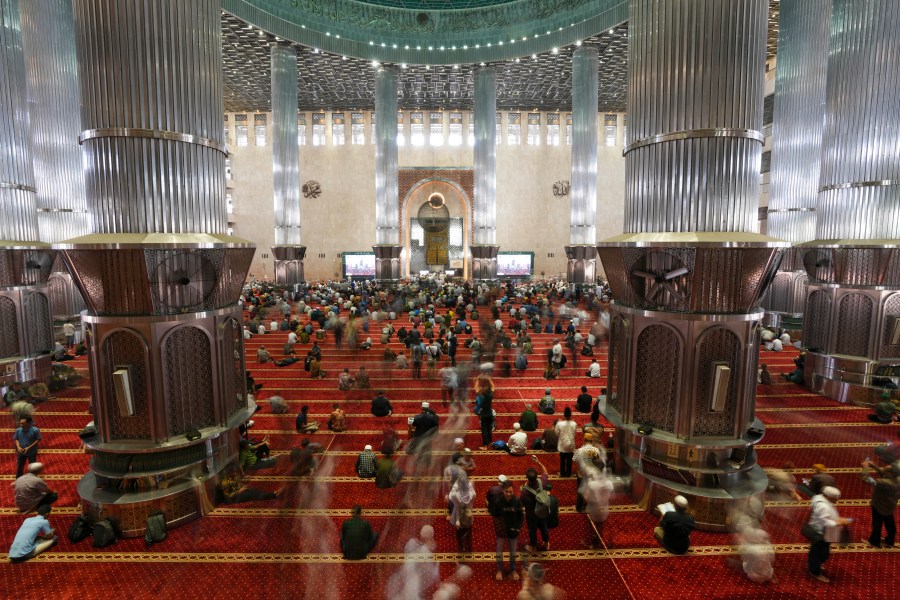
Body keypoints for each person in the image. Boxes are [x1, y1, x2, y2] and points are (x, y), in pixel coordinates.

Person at [806, 486, 851, 582]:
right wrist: (839, 522)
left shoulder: (818, 497)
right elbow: (825, 522)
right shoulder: (823, 506)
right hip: (821, 532)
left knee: (820, 551)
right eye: (836, 498)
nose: (837, 500)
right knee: (819, 552)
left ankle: (814, 564)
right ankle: (814, 572)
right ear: (829, 497)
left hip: (825, 530)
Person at [491, 480, 524, 581]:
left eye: (511, 491)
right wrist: (499, 528)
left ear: (513, 491)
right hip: (502, 531)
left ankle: (512, 570)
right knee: (499, 551)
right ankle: (499, 569)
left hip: (513, 530)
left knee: (513, 552)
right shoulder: (498, 502)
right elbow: (495, 516)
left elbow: (521, 516)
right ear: (503, 490)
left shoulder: (517, 501)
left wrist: (517, 528)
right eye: (506, 491)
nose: (509, 494)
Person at [861, 459, 899, 548]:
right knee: (890, 523)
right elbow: (884, 473)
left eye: (891, 466)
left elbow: (866, 479)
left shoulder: (883, 482)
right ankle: (890, 540)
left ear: (892, 472)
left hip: (879, 506)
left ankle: (874, 541)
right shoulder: (897, 478)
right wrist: (874, 466)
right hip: (890, 505)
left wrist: (865, 468)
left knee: (877, 523)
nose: (888, 466)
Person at [521, 456, 550, 553]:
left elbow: (521, 503)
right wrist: (538, 462)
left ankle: (533, 547)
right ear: (537, 476)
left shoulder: (525, 491)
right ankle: (546, 543)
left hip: (532, 514)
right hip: (542, 510)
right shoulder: (542, 482)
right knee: (544, 526)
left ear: (527, 478)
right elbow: (545, 472)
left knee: (532, 530)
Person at [448, 466, 476, 556]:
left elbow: (451, 496)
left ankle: (461, 549)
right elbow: (473, 493)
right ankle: (468, 549)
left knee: (459, 534)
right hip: (468, 514)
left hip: (458, 516)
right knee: (468, 532)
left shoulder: (456, 496)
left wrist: (455, 485)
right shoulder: (471, 493)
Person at [554, 408, 576, 477]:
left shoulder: (559, 424)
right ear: (571, 415)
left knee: (562, 460)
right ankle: (568, 473)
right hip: (570, 445)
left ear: (564, 415)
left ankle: (562, 473)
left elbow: (557, 433)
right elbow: (574, 433)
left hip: (562, 444)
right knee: (569, 460)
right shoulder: (574, 424)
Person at [476, 377, 495, 450]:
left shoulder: (481, 396)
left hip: (483, 415)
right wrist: (489, 379)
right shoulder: (490, 395)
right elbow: (493, 387)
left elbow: (476, 389)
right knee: (489, 429)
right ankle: (490, 442)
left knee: (484, 430)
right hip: (490, 414)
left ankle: (485, 446)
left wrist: (478, 380)